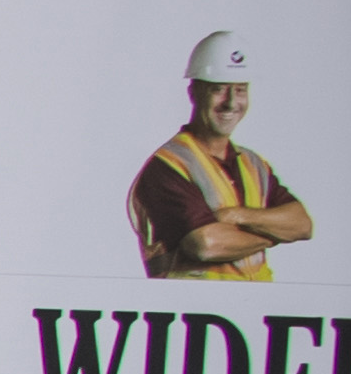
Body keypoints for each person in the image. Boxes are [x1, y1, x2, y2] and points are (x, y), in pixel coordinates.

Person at [130, 28, 314, 283]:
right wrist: (276, 233)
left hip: (253, 310)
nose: (230, 102)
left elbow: (302, 224)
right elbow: (207, 244)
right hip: (194, 313)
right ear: (193, 93)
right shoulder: (168, 167)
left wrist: (237, 216)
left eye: (240, 90)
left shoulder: (254, 164)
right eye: (219, 89)